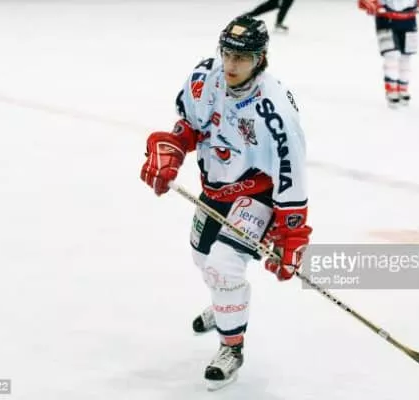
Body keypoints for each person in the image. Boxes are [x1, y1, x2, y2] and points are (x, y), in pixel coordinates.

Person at [140, 15, 312, 390]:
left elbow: (291, 169)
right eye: (228, 54)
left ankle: (231, 348)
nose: (231, 65)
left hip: (258, 192)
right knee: (202, 257)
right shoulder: (207, 78)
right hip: (216, 187)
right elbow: (190, 125)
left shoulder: (274, 109)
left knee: (223, 266)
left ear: (260, 59)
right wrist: (173, 149)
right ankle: (225, 305)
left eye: (242, 58)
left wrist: (292, 234)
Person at [358, 0, 419, 107]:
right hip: (386, 20)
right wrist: (370, 4)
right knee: (391, 54)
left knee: (406, 56)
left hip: (409, 21)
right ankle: (391, 88)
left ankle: (403, 88)